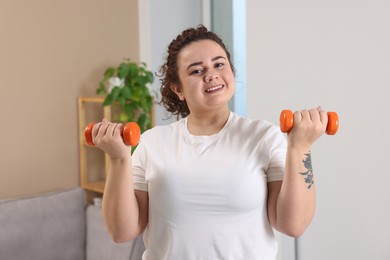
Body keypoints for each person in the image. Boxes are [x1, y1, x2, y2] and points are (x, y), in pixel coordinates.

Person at [92, 25, 328, 259]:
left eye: (219, 64)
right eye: (196, 70)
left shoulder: (263, 136)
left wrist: (300, 147)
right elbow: (121, 232)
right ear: (178, 89)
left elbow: (293, 225)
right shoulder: (152, 143)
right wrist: (118, 158)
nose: (211, 74)